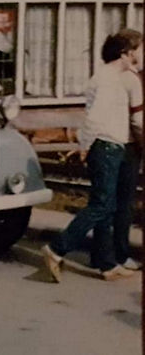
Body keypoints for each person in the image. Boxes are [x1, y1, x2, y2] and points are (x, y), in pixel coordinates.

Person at [42, 32, 140, 282]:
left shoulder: (115, 77)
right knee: (101, 205)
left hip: (112, 146)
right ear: (125, 53)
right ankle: (56, 249)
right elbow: (94, 118)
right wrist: (86, 146)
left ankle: (107, 265)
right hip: (105, 146)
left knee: (106, 209)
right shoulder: (107, 80)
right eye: (139, 50)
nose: (140, 55)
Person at [107, 28, 143, 271]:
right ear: (128, 52)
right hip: (129, 144)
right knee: (124, 202)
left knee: (109, 201)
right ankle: (120, 254)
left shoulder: (107, 75)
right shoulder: (132, 79)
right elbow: (138, 121)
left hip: (110, 141)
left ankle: (105, 254)